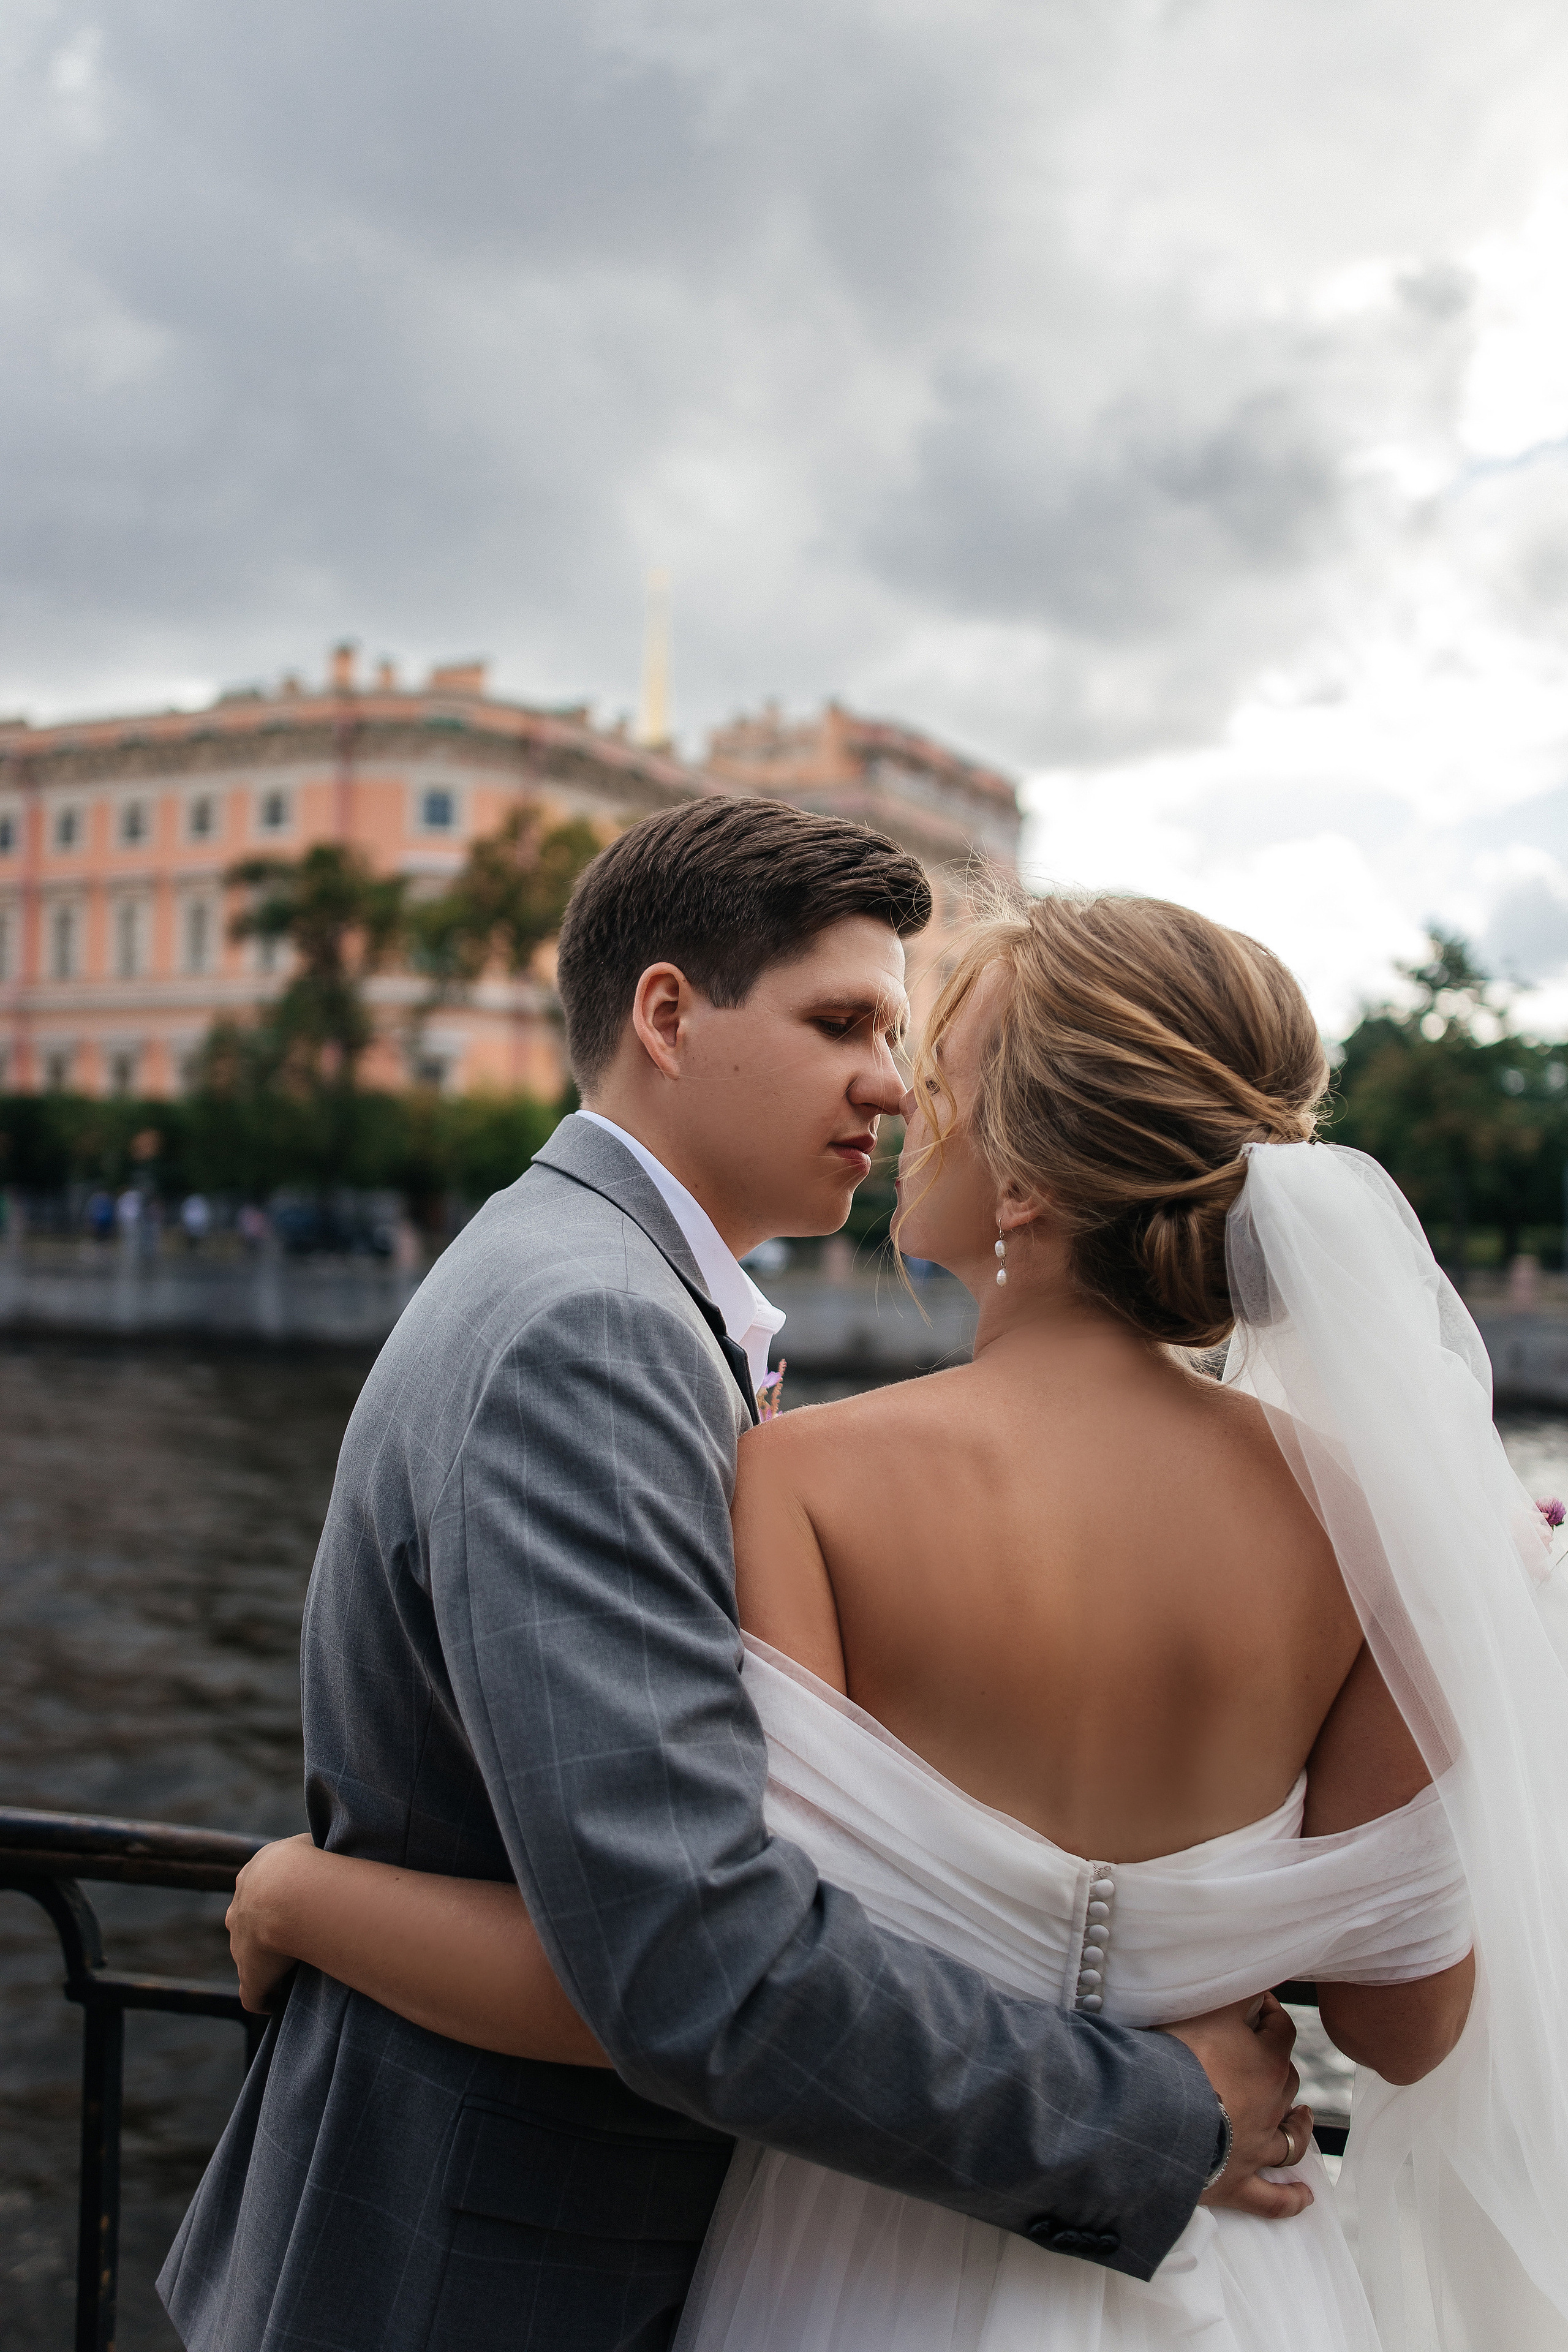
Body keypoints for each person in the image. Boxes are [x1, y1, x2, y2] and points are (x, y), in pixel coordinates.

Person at [220, 886, 1568, 2349]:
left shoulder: (802, 1485)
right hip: (1232, 2265)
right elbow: (1402, 2024)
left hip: (852, 2251)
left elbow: (709, 1958)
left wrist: (308, 1894)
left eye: (943, 1075)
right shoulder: (1375, 1530)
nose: (901, 1095)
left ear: (1025, 1185)